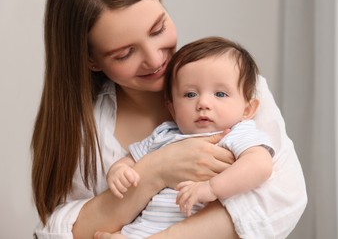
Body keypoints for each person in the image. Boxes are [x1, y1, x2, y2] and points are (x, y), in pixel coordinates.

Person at [31, 0, 307, 238]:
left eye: (158, 29)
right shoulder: (89, 131)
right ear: (92, 60)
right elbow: (59, 230)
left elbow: (284, 197)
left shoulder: (236, 90)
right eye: (125, 53)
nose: (154, 60)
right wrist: (155, 171)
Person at [100, 36, 275, 238]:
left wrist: (211, 188)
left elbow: (260, 165)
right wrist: (119, 169)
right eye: (190, 95)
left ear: (247, 109)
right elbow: (133, 159)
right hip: (141, 230)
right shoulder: (165, 133)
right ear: (172, 109)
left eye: (220, 94)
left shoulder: (235, 133)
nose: (203, 103)